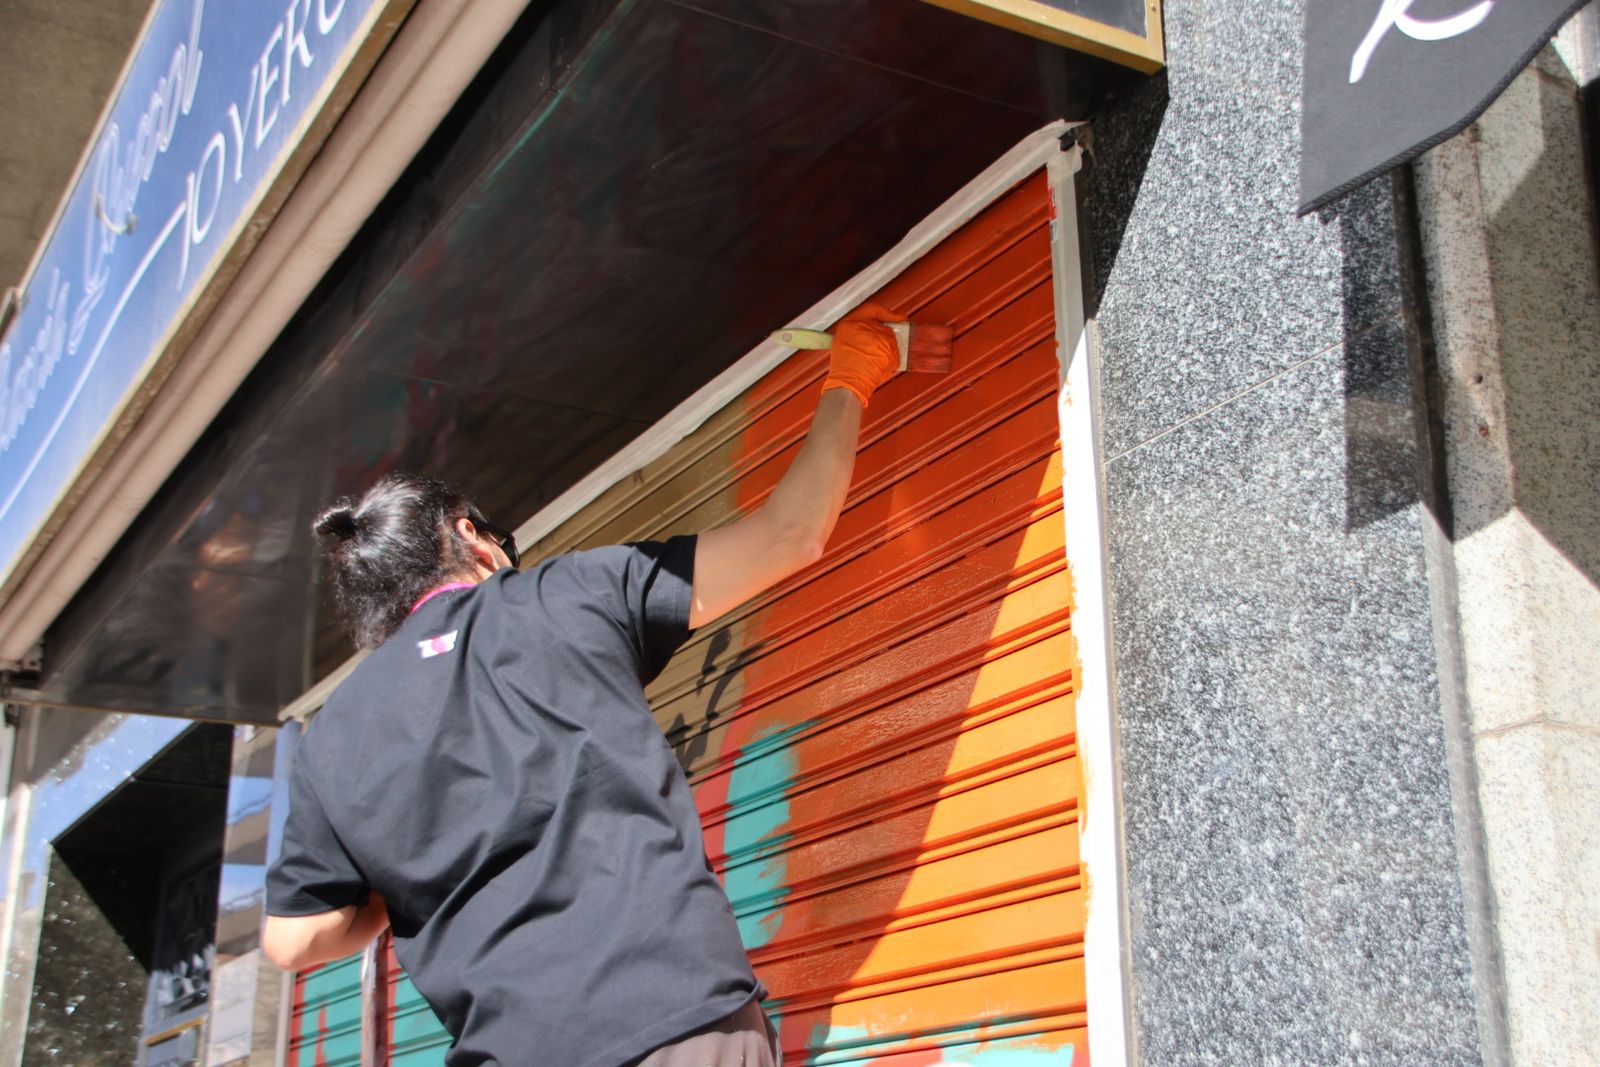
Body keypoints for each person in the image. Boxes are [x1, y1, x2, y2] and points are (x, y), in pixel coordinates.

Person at [261, 305, 909, 1067]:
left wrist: (386, 887)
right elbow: (790, 534)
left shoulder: (334, 734)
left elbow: (291, 937)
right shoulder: (567, 595)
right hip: (679, 1028)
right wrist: (853, 372)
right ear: (467, 534)